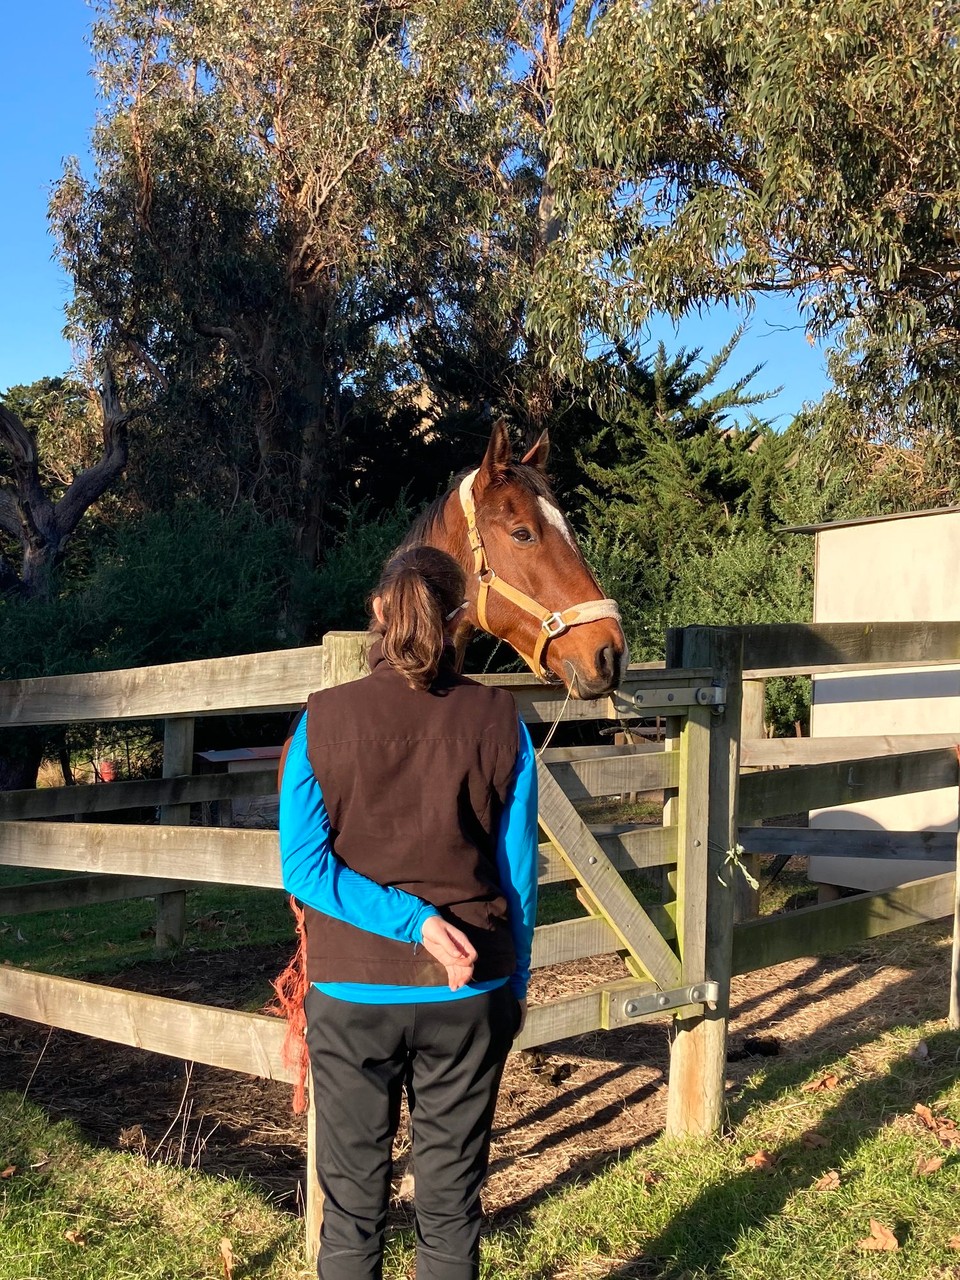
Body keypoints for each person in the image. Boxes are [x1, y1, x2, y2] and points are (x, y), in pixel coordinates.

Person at [279, 544, 539, 1280]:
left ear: (377, 613)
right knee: (452, 1210)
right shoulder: (501, 719)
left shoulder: (320, 722)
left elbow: (303, 868)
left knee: (352, 1209)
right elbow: (519, 874)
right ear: (460, 618)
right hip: (471, 993)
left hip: (351, 997)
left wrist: (406, 920)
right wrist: (512, 983)